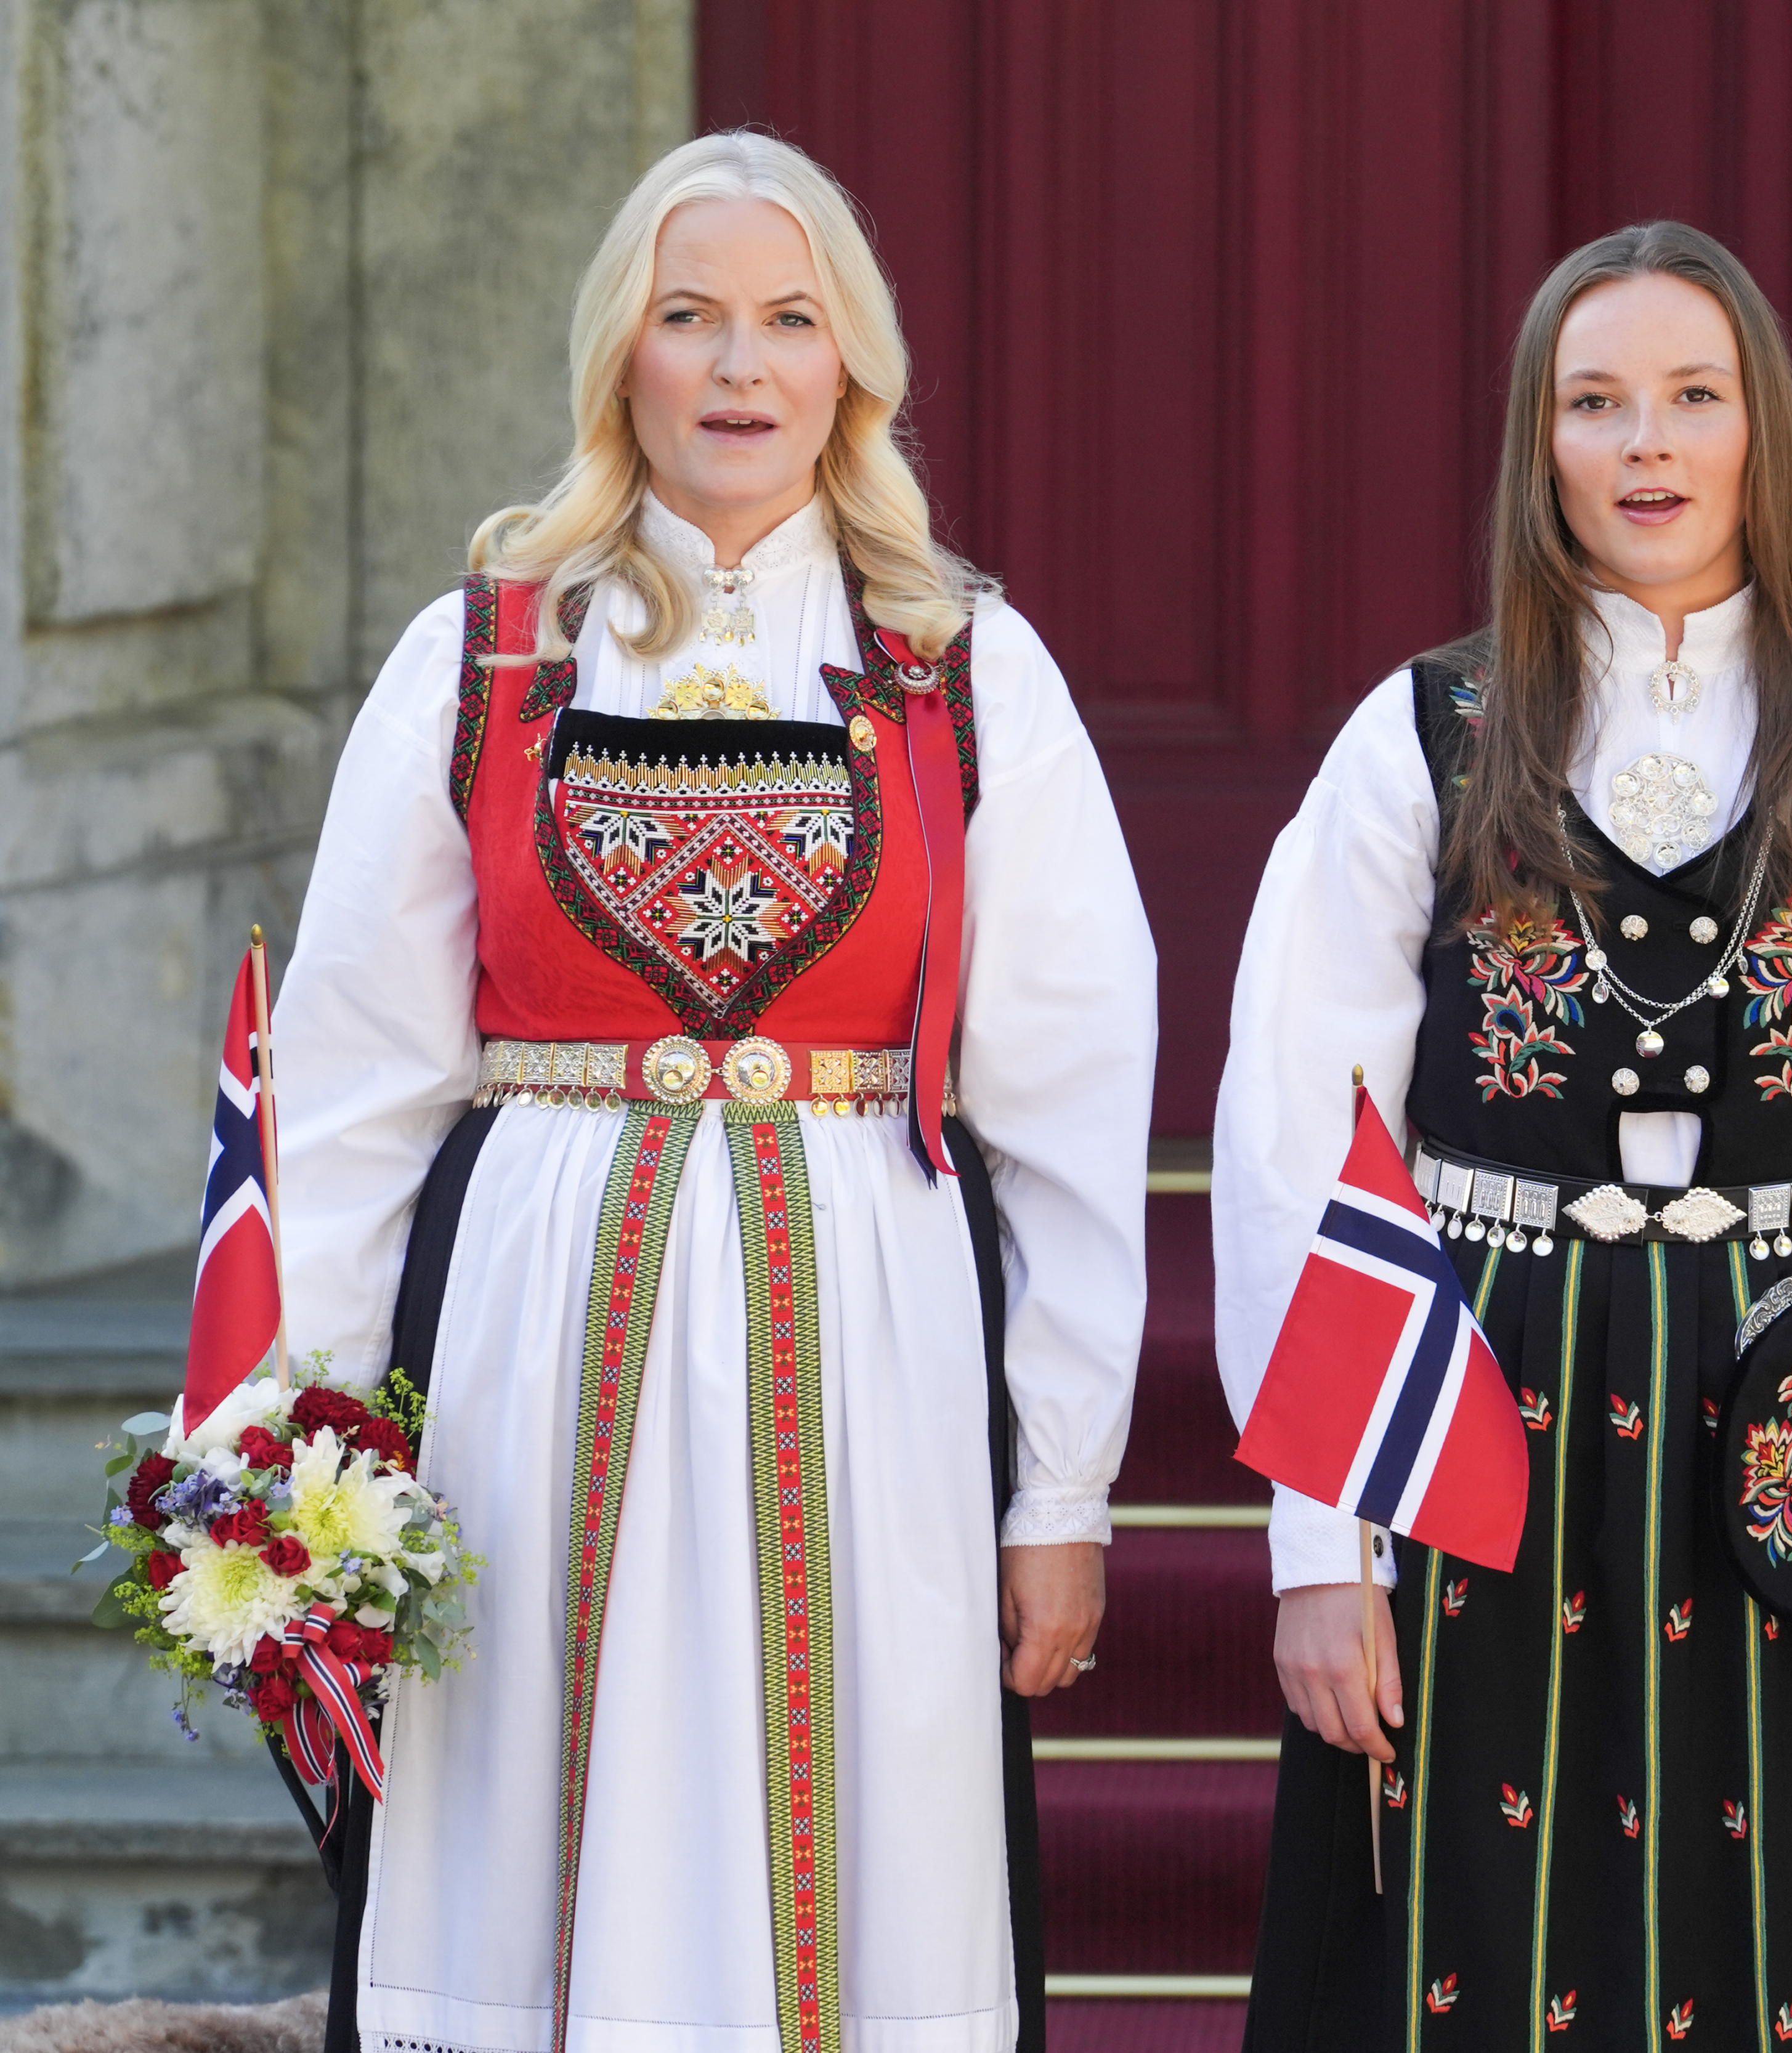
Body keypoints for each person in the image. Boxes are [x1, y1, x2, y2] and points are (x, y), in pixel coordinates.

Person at [272, 132, 1156, 2053]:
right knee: (519, 1780)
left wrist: (1062, 1479)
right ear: (623, 359)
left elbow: (1073, 1103)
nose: (741, 366)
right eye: (692, 319)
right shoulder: (489, 652)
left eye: (787, 319)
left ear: (853, 366)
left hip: (874, 1341)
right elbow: (354, 1084)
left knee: (865, 1815)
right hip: (531, 1336)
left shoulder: (959, 665)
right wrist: (310, 1447)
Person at [1214, 221, 1792, 2051]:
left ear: (1764, 435)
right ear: (1542, 448)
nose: (1649, 445)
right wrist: (1320, 1547)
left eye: (1694, 396)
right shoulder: (1421, 737)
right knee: (1481, 1948)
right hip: (1480, 1427)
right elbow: (1306, 1138)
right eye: (1597, 404)